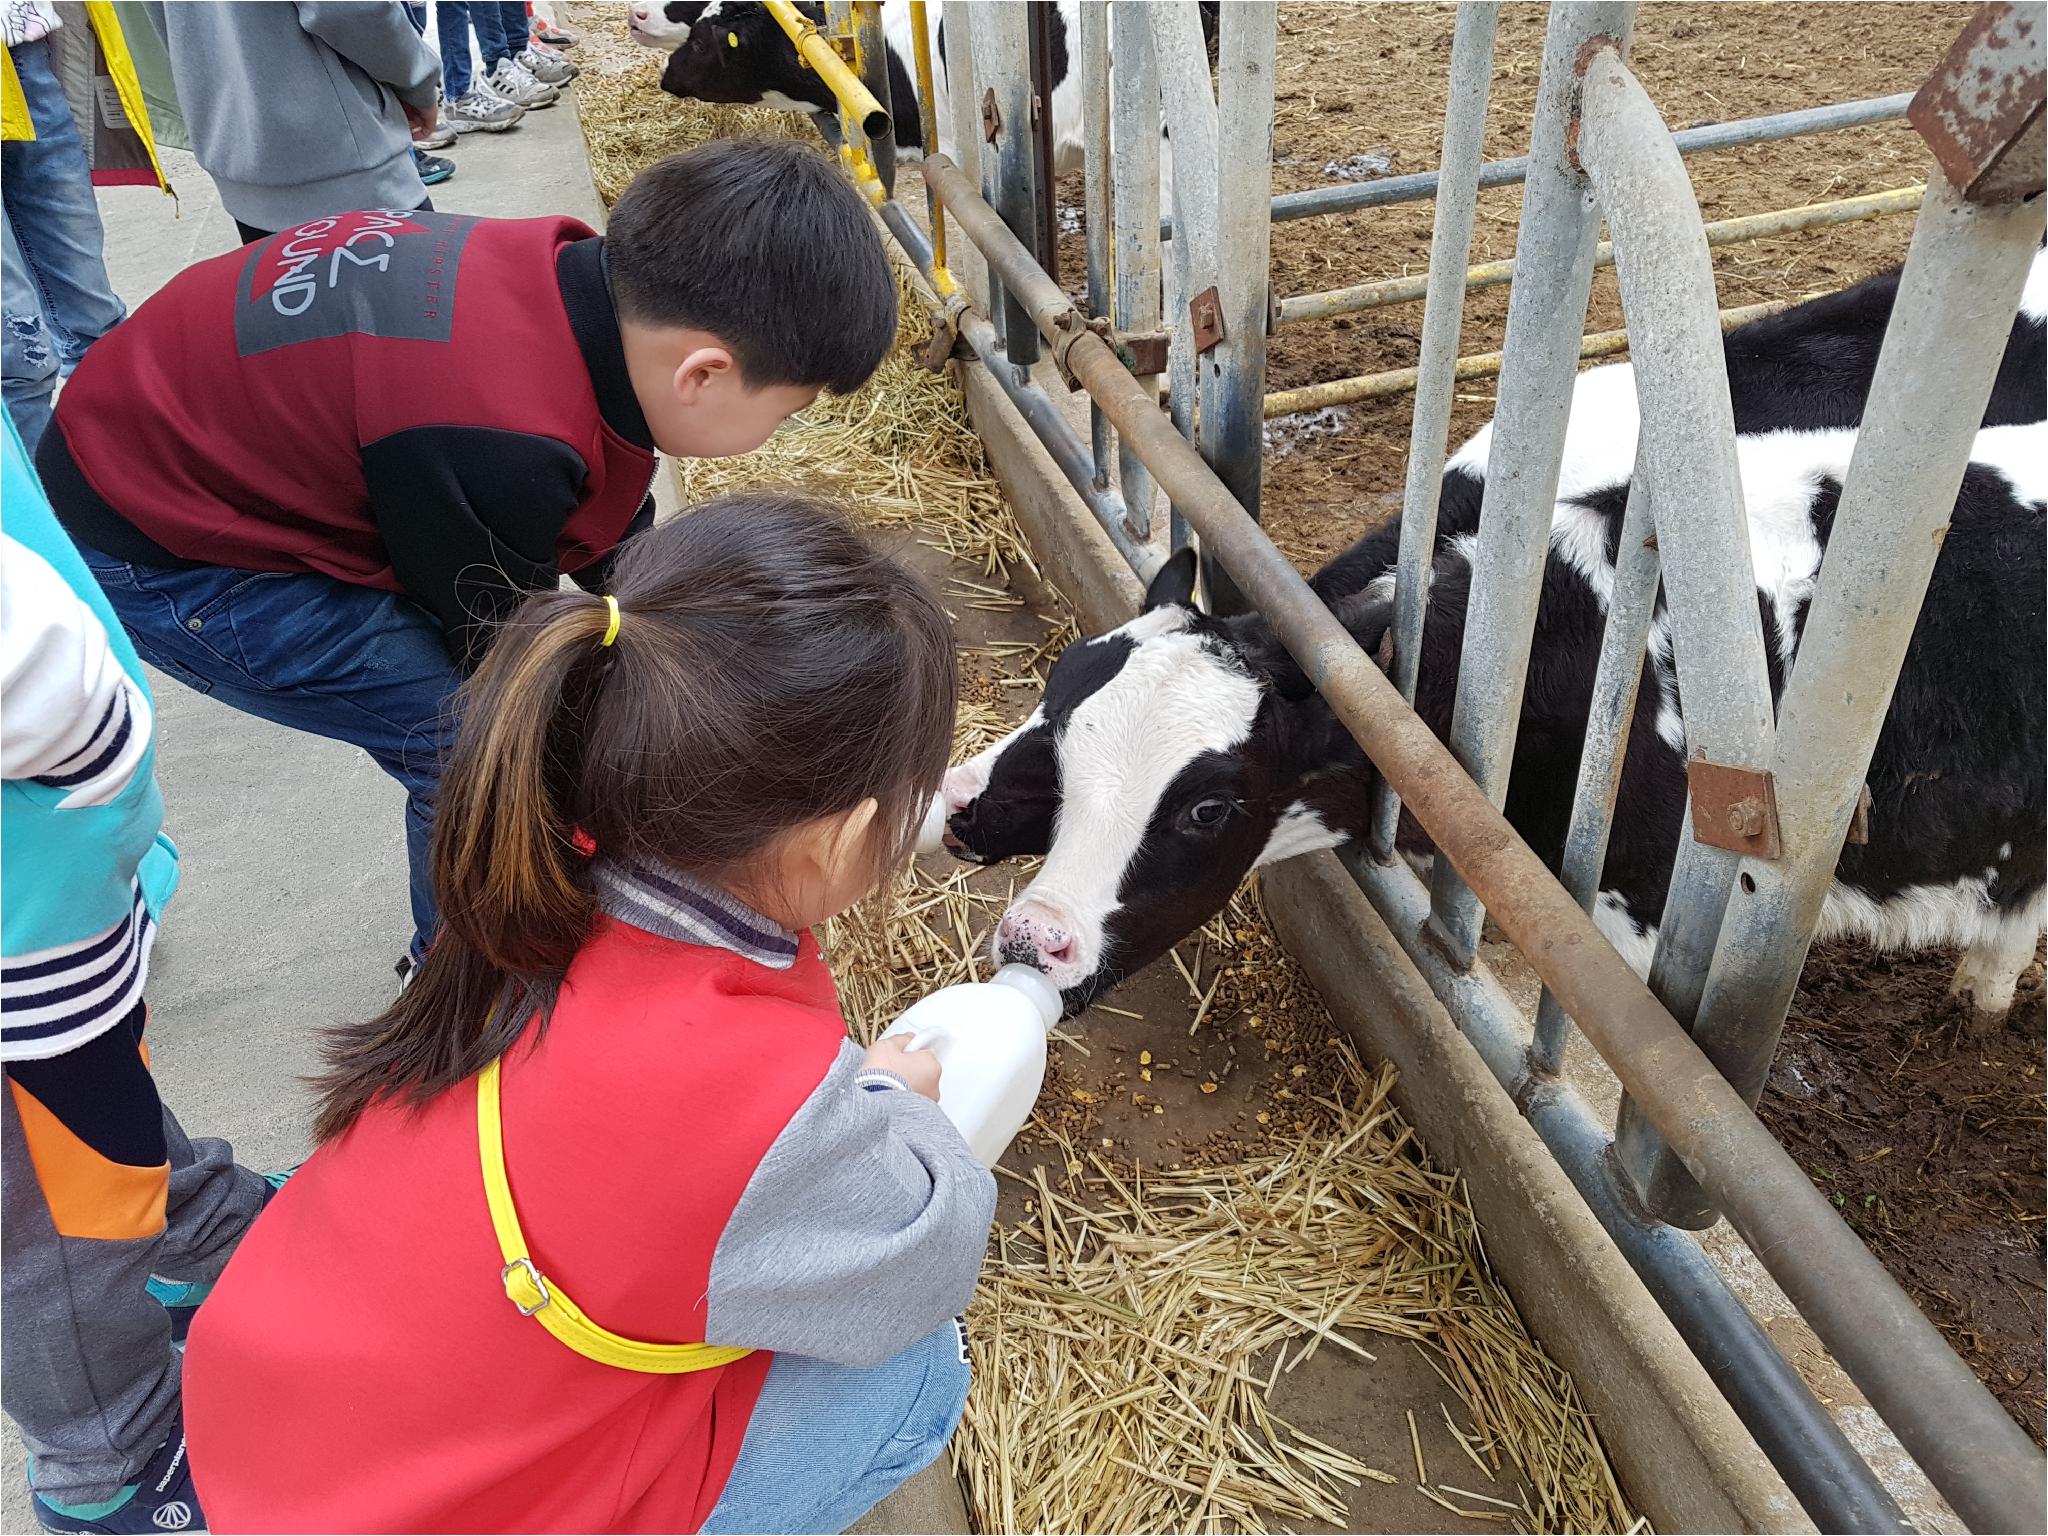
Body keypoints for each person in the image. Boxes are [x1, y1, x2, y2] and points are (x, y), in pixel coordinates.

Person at [182, 496, 992, 1534]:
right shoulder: (753, 1098)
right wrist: (896, 1105)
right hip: (407, 1512)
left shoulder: (532, 885)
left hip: (270, 1437)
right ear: (841, 844)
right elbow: (921, 1263)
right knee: (912, 1369)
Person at [37, 139, 900, 980]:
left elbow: (611, 536)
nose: (771, 438)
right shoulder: (495, 438)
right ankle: (460, 985)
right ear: (702, 375)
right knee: (464, 746)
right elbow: (502, 655)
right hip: (158, 547)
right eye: (783, 415)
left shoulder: (574, 284)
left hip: (172, 428)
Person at [0, 410, 277, 1536]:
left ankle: (191, 1224)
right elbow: (31, 667)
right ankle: (108, 1457)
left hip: (43, 903)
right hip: (22, 912)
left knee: (96, 1115)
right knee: (55, 1232)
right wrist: (101, 741)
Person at [1, 0, 166, 455]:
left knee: (96, 324)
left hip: (26, 53)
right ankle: (41, 522)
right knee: (18, 353)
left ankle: (130, 488)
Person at [162, 1, 441, 244]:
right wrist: (417, 83)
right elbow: (353, 9)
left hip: (242, 158)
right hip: (346, 164)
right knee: (416, 297)